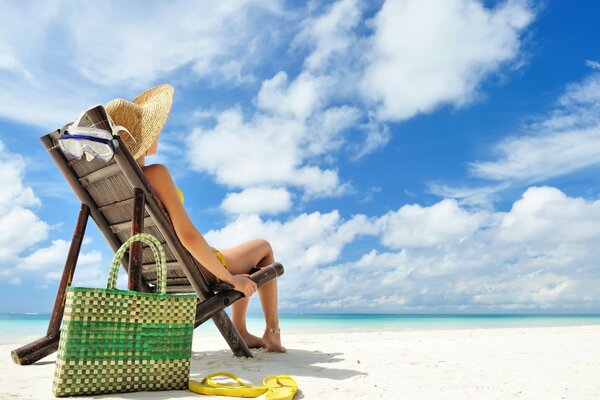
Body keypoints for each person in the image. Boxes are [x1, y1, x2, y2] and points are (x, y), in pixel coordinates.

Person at [105, 84, 285, 352]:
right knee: (264, 248)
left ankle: (243, 331)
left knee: (245, 262)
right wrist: (230, 278)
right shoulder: (156, 174)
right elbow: (187, 236)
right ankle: (272, 333)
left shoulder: (114, 187)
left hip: (154, 268)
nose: (159, 133)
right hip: (194, 266)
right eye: (155, 129)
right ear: (143, 137)